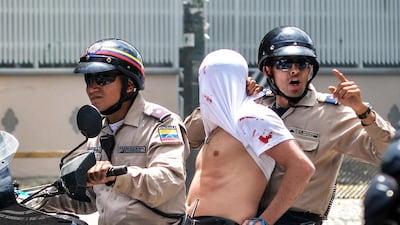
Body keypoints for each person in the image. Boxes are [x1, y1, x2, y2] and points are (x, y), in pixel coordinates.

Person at [184, 26, 396, 225]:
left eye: (302, 64)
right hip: (250, 217)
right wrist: (227, 95)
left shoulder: (331, 114)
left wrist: (362, 111)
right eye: (285, 64)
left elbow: (387, 154)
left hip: (296, 219)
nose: (294, 71)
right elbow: (190, 138)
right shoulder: (253, 105)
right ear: (268, 70)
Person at [44, 38, 190, 225]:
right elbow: (90, 197)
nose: (92, 87)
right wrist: (33, 198)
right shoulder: (97, 132)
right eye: (88, 79)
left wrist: (116, 175)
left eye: (103, 78)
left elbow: (167, 182)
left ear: (129, 85)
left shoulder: (161, 125)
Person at [183, 49, 315, 225]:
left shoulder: (252, 117)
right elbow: (184, 137)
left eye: (216, 80)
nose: (208, 88)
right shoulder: (217, 125)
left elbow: (302, 167)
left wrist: (264, 221)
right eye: (205, 80)